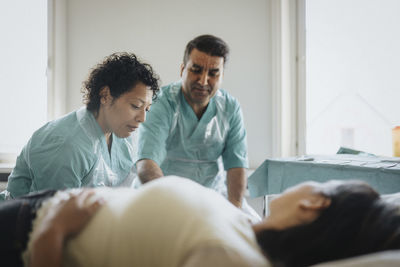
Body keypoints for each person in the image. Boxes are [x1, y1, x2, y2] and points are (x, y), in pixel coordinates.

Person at [2, 177, 400, 267]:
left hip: (27, 238)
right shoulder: (242, 229)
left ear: (314, 203)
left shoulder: (228, 256)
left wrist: (53, 230)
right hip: (43, 209)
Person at [1, 53, 159, 200]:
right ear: (105, 96)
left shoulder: (123, 134)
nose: (142, 118)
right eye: (136, 106)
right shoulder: (66, 145)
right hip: (21, 224)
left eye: (147, 109)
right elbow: (54, 218)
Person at [136, 34, 248, 208]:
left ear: (222, 76)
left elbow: (236, 166)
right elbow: (147, 164)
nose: (203, 81)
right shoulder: (162, 103)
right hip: (162, 199)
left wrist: (234, 209)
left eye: (213, 73)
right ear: (182, 69)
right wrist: (175, 209)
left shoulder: (230, 107)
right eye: (196, 70)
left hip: (211, 199)